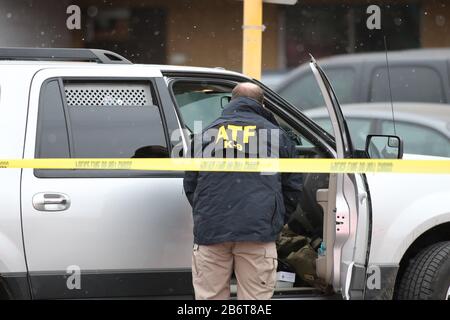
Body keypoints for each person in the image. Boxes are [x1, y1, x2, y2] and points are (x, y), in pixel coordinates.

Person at [183, 82, 302, 300]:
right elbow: (292, 186)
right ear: (262, 103)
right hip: (257, 232)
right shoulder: (278, 136)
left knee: (210, 298)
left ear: (231, 102)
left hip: (211, 230)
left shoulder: (205, 134)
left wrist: (210, 213)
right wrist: (273, 218)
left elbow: (191, 185)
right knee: (255, 300)